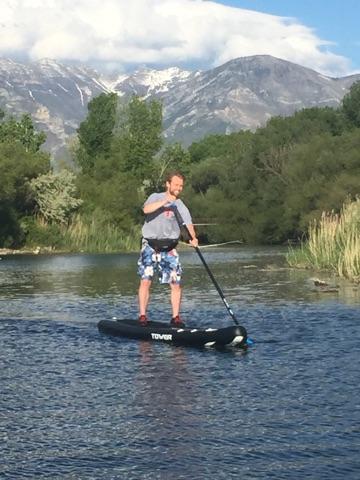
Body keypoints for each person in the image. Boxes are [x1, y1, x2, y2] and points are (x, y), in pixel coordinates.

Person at [137, 172, 198, 327]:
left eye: (181, 186)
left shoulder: (180, 205)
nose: (178, 188)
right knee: (145, 281)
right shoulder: (155, 197)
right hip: (150, 246)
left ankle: (175, 317)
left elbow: (188, 224)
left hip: (169, 248)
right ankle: (143, 316)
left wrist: (194, 238)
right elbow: (146, 210)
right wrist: (165, 202)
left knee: (175, 283)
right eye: (176, 185)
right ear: (168, 184)